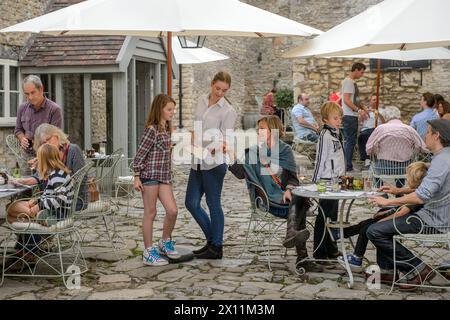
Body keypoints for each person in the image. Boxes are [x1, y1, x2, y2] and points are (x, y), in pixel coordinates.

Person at [367, 119, 450, 291]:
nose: (423, 136)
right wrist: (399, 191)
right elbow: (428, 189)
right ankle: (389, 271)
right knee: (381, 224)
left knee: (374, 230)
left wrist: (388, 200)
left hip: (432, 221)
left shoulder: (443, 160)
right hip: (435, 215)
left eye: (427, 132)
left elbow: (421, 196)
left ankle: (418, 268)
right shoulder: (443, 157)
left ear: (437, 136)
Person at [228, 115, 312, 270]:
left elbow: (293, 179)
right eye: (258, 128)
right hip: (268, 200)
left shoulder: (285, 151)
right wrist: (231, 155)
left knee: (298, 196)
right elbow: (241, 173)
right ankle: (301, 255)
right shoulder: (254, 152)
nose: (258, 131)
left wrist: (288, 189)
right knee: (300, 203)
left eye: (262, 129)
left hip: (286, 197)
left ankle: (292, 234)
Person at [334, 162, 428, 272]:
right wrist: (384, 213)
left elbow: (401, 213)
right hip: (403, 217)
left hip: (406, 220)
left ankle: (356, 255)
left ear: (414, 180)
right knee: (370, 221)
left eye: (407, 177)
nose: (406, 180)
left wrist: (383, 220)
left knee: (370, 227)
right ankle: (344, 235)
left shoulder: (417, 196)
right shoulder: (421, 190)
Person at [185, 71, 237, 260]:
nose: (220, 93)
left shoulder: (229, 111)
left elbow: (226, 139)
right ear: (212, 84)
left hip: (215, 163)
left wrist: (214, 148)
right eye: (217, 88)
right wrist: (192, 140)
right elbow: (197, 127)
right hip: (197, 160)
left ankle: (216, 246)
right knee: (190, 203)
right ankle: (213, 242)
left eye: (224, 90)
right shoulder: (200, 101)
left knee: (213, 204)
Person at [132, 94, 179, 266]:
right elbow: (140, 155)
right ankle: (148, 252)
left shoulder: (166, 128)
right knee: (150, 212)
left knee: (172, 210)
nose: (172, 112)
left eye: (173, 109)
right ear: (159, 109)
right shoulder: (151, 130)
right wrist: (136, 176)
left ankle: (164, 241)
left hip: (164, 176)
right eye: (169, 109)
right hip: (150, 176)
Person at [311, 102, 345, 264]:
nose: (339, 121)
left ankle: (331, 248)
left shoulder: (336, 134)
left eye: (340, 118)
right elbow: (320, 159)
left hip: (336, 180)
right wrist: (315, 181)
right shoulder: (325, 136)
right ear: (325, 120)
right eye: (335, 118)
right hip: (325, 180)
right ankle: (319, 251)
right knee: (323, 216)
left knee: (332, 217)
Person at [7, 144, 73, 227]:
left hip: (58, 211)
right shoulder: (57, 172)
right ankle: (40, 220)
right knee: (10, 210)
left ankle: (39, 219)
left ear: (44, 160)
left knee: (12, 207)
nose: (37, 160)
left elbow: (61, 198)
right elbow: (51, 194)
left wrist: (39, 205)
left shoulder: (56, 176)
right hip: (53, 208)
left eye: (38, 158)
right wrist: (37, 200)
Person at [366, 106, 427, 188]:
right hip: (405, 168)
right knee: (405, 162)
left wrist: (377, 151)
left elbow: (369, 148)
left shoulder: (380, 129)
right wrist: (412, 151)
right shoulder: (409, 129)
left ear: (386, 117)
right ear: (399, 116)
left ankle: (380, 190)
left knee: (371, 167)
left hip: (383, 167)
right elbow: (422, 147)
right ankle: (400, 189)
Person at [14, 75, 63, 152]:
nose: (30, 97)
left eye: (33, 93)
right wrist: (22, 138)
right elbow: (18, 130)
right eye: (27, 94)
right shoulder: (22, 108)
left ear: (41, 89)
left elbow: (55, 140)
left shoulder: (54, 110)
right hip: (25, 156)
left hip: (46, 156)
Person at [341, 62, 369, 172]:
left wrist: (363, 107)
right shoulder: (348, 82)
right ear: (356, 69)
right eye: (361, 72)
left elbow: (355, 99)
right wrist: (359, 110)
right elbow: (346, 100)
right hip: (349, 116)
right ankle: (347, 166)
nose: (362, 75)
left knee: (351, 141)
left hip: (351, 116)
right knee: (350, 141)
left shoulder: (352, 82)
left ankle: (347, 165)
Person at [357, 94, 385, 168]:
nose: (375, 101)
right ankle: (366, 159)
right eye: (374, 100)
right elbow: (360, 122)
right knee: (363, 136)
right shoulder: (365, 111)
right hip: (367, 129)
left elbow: (385, 122)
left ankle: (379, 158)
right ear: (370, 102)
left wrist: (379, 114)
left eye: (377, 100)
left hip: (378, 129)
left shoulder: (382, 111)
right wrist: (362, 115)